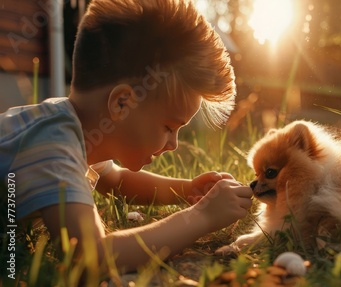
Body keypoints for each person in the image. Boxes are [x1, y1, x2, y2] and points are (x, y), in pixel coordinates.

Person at [0, 0, 253, 276]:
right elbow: (91, 257)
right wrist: (202, 216)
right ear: (122, 104)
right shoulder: (51, 145)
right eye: (169, 127)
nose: (173, 144)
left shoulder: (72, 127)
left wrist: (187, 189)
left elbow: (119, 181)